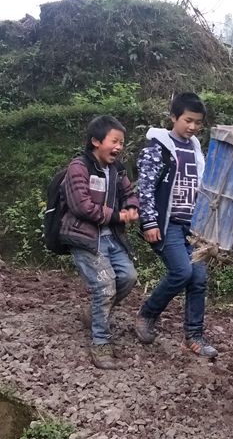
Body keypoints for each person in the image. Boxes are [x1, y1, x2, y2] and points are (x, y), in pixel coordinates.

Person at [134, 92, 217, 358]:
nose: (193, 127)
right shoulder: (157, 149)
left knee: (199, 279)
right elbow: (145, 188)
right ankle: (147, 314)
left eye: (198, 122)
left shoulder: (196, 150)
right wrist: (149, 221)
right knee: (182, 272)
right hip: (167, 223)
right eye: (188, 120)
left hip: (192, 227)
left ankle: (194, 336)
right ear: (173, 117)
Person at [61, 115, 140, 369]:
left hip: (112, 238)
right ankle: (101, 343)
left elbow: (129, 193)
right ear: (96, 141)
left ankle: (94, 313)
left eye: (121, 142)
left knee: (128, 277)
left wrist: (132, 207)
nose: (119, 147)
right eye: (114, 141)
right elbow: (81, 206)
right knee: (105, 286)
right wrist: (118, 216)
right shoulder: (78, 168)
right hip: (85, 238)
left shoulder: (116, 170)